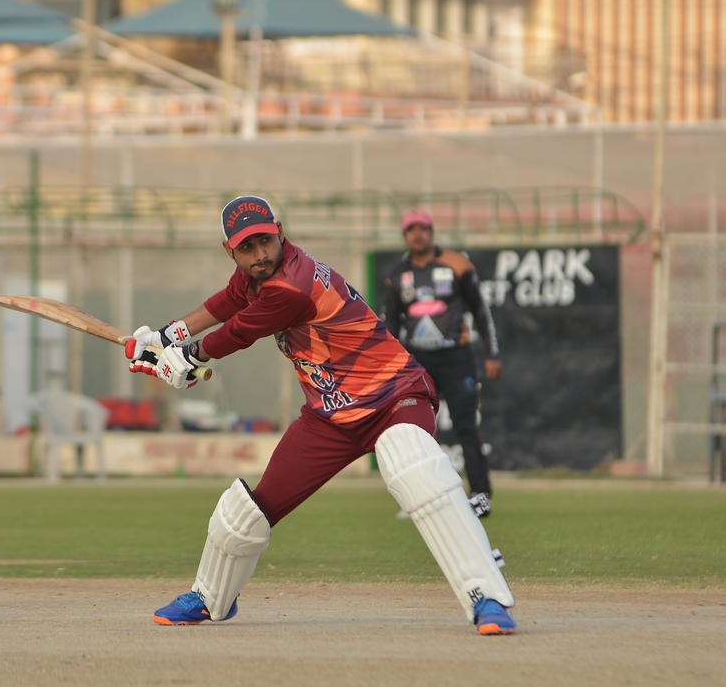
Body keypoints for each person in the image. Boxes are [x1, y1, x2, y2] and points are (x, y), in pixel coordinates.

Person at [125, 196, 517, 635]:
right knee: (247, 512)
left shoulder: (292, 284)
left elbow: (238, 331)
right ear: (229, 251)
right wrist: (164, 338)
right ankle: (209, 596)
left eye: (265, 241)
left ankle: (487, 596)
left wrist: (186, 357)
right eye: (246, 247)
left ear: (279, 232)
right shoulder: (254, 275)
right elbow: (222, 306)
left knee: (413, 466)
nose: (259, 254)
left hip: (394, 395)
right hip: (330, 415)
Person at [379, 208, 500, 516]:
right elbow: (390, 322)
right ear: (405, 236)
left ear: (432, 233)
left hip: (455, 358)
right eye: (411, 230)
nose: (418, 235)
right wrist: (388, 363)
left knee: (466, 425)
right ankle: (418, 498)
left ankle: (481, 495)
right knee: (414, 431)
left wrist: (492, 353)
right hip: (417, 362)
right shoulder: (398, 274)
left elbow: (480, 310)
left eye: (423, 229)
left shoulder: (457, 264)